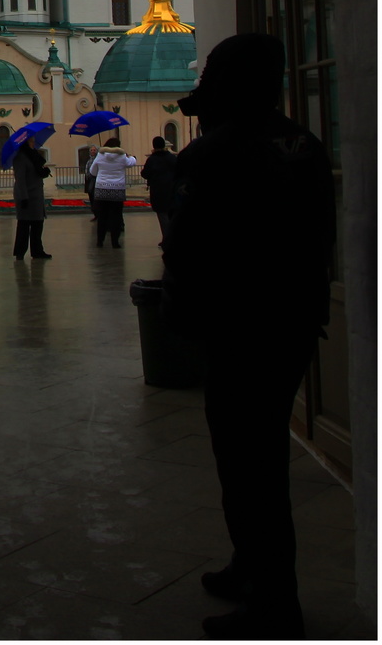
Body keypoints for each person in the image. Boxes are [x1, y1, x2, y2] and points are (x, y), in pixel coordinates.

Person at [162, 34, 334, 640]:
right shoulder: (305, 146)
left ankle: (274, 599)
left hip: (238, 327)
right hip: (291, 323)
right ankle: (249, 566)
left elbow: (184, 242)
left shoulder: (214, 154)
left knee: (247, 465)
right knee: (262, 455)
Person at [87, 137, 136, 248]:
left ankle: (100, 241)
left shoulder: (100, 155)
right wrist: (132, 157)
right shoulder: (122, 156)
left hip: (101, 189)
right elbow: (131, 163)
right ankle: (115, 242)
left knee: (102, 216)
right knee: (116, 216)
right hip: (117, 190)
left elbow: (93, 172)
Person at [11, 139, 52, 260]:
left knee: (37, 224)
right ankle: (20, 252)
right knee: (24, 225)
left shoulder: (33, 156)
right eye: (31, 140)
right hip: (27, 196)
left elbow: (36, 172)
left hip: (36, 196)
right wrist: (23, 197)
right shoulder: (20, 158)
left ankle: (37, 251)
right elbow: (20, 179)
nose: (34, 142)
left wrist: (44, 172)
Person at [140, 135, 179, 246]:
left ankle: (167, 239)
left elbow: (145, 173)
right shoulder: (172, 158)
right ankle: (172, 237)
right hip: (172, 190)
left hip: (158, 191)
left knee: (162, 216)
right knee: (171, 215)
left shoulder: (152, 159)